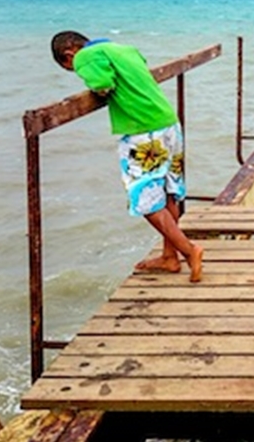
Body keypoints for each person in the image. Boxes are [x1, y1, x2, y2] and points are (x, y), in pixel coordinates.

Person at [50, 31, 203, 283]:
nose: (75, 69)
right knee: (167, 191)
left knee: (143, 197)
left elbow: (101, 85)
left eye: (70, 67)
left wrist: (95, 86)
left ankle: (189, 250)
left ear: (69, 54)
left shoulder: (85, 55)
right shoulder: (124, 49)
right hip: (168, 124)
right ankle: (169, 256)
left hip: (143, 130)